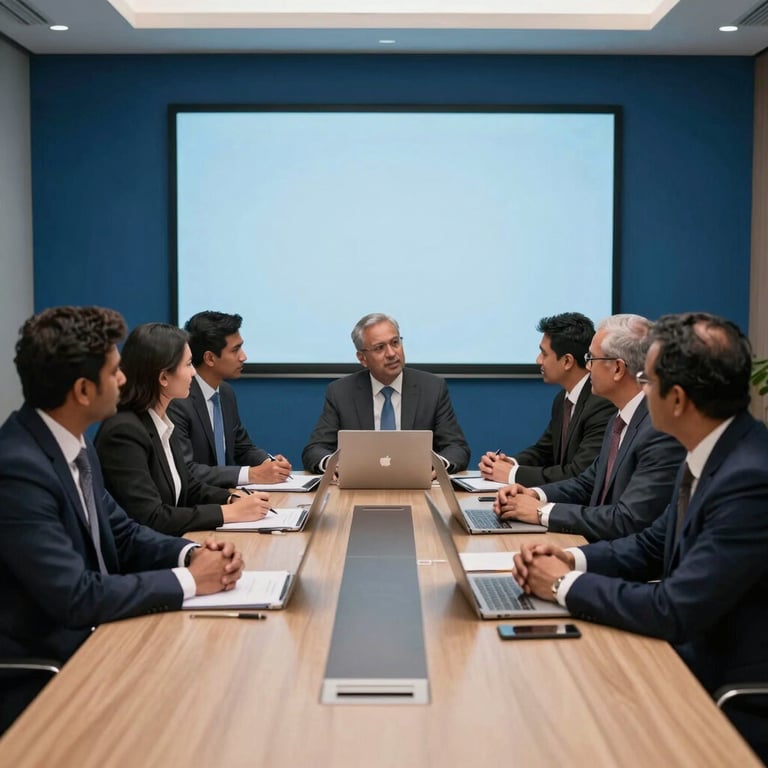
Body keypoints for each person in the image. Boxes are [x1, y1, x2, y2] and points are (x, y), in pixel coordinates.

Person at [512, 312, 768, 762]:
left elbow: (675, 609)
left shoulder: (749, 478)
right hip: (682, 652)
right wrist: (574, 560)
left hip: (721, 688)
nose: (638, 390)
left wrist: (559, 585)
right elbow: (653, 544)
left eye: (647, 381)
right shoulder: (713, 450)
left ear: (677, 399)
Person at [0, 306, 244, 734]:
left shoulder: (74, 446)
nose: (124, 380)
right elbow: (75, 596)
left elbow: (123, 533)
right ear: (82, 390)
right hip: (50, 674)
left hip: (100, 638)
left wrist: (191, 554)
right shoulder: (18, 469)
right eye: (114, 372)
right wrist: (191, 581)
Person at [494, 314, 685, 541]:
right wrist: (535, 494)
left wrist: (540, 512)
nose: (586, 367)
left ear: (617, 369)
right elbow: (588, 482)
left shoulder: (657, 431)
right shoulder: (621, 417)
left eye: (591, 359)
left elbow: (627, 520)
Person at [96, 323, 271, 536]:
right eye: (188, 365)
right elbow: (152, 517)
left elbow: (188, 485)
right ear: (163, 378)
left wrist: (231, 498)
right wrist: (228, 512)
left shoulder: (159, 420)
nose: (194, 373)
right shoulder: (124, 432)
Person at [302, 313, 470, 473]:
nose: (391, 353)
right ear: (362, 358)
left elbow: (457, 448)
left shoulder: (433, 388)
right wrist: (333, 465)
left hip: (417, 487)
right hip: (360, 487)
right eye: (380, 348)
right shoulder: (341, 392)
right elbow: (314, 450)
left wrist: (436, 466)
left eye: (395, 342)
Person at [478, 312, 614, 485]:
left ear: (567, 361)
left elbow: (579, 472)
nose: (538, 360)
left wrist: (512, 474)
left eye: (544, 354)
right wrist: (509, 463)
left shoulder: (601, 403)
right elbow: (544, 451)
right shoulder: (562, 399)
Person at [168, 311, 291, 488]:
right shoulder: (179, 399)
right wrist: (251, 474)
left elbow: (242, 447)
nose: (243, 357)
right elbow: (186, 470)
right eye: (235, 350)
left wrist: (268, 462)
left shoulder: (225, 393)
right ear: (210, 358)